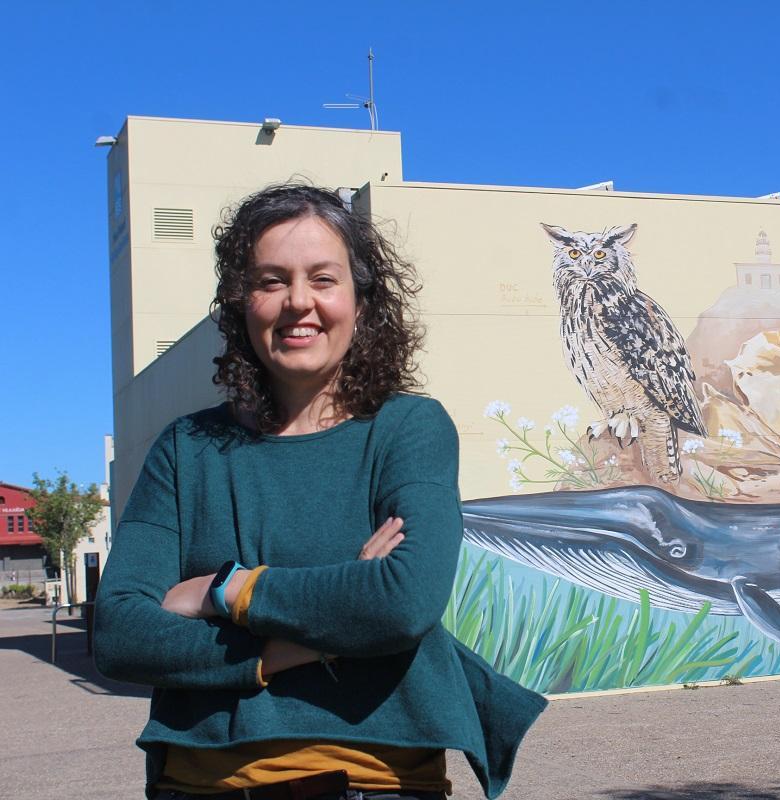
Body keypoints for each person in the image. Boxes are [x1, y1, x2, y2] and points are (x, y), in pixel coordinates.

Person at [95, 183, 546, 800]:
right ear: (240, 304)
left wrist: (226, 589)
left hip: (372, 785)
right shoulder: (186, 449)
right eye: (271, 280)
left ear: (362, 302)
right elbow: (120, 633)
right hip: (198, 786)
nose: (297, 302)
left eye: (323, 279)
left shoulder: (407, 430)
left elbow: (403, 602)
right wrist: (305, 640)